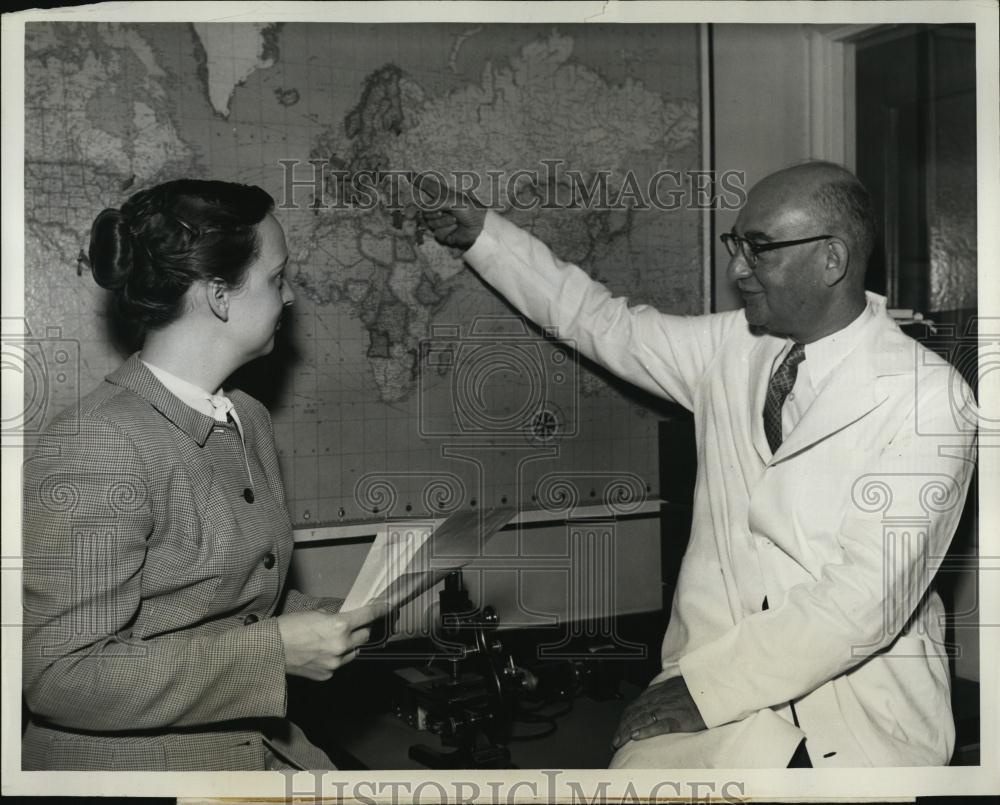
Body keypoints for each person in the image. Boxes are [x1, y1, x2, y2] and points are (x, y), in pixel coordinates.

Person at [418, 161, 977, 768]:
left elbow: (863, 602)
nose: (738, 270)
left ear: (832, 260)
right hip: (715, 694)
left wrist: (708, 691)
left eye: (758, 249)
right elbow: (600, 323)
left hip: (855, 715)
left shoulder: (927, 398)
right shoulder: (732, 348)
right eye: (737, 246)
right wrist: (486, 237)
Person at [22, 179, 387, 771]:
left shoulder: (247, 417)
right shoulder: (96, 442)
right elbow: (62, 678)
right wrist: (274, 653)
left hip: (254, 743)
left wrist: (330, 617)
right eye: (276, 278)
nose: (290, 297)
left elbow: (217, 603)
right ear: (220, 295)